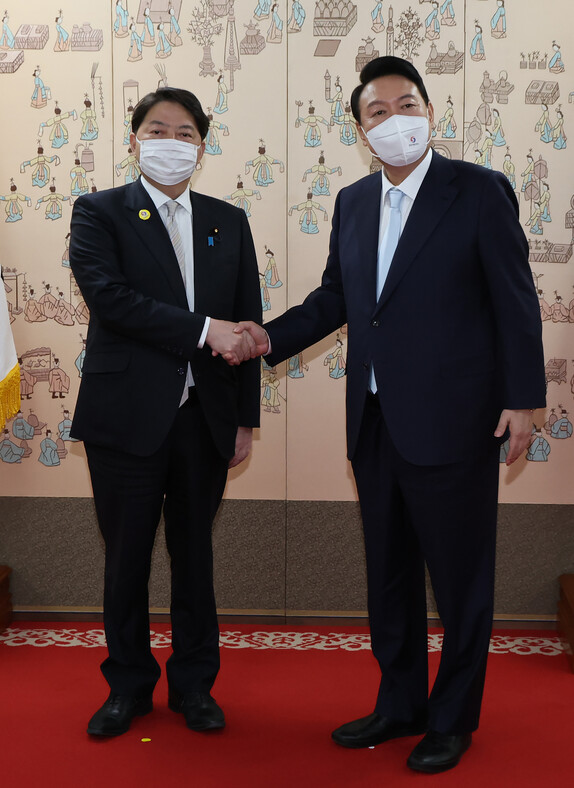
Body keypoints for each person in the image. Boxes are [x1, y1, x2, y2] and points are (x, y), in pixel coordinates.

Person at [236, 57, 545, 774]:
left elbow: (516, 300)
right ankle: (400, 702)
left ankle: (453, 717)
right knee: (392, 577)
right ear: (361, 128)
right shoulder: (352, 202)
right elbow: (337, 300)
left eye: (407, 104)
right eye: (379, 112)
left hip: (457, 422)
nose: (395, 119)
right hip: (374, 423)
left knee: (461, 580)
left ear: (429, 111)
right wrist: (267, 337)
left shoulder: (478, 191)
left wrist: (523, 399)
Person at [69, 87, 261, 738]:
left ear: (201, 148)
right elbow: (112, 299)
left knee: (195, 556)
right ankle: (127, 687)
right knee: (125, 557)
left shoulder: (227, 219)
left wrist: (244, 419)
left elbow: (247, 322)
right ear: (133, 140)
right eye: (157, 129)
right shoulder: (98, 213)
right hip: (125, 416)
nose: (170, 142)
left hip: (203, 417)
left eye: (185, 133)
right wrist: (205, 329)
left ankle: (194, 688)